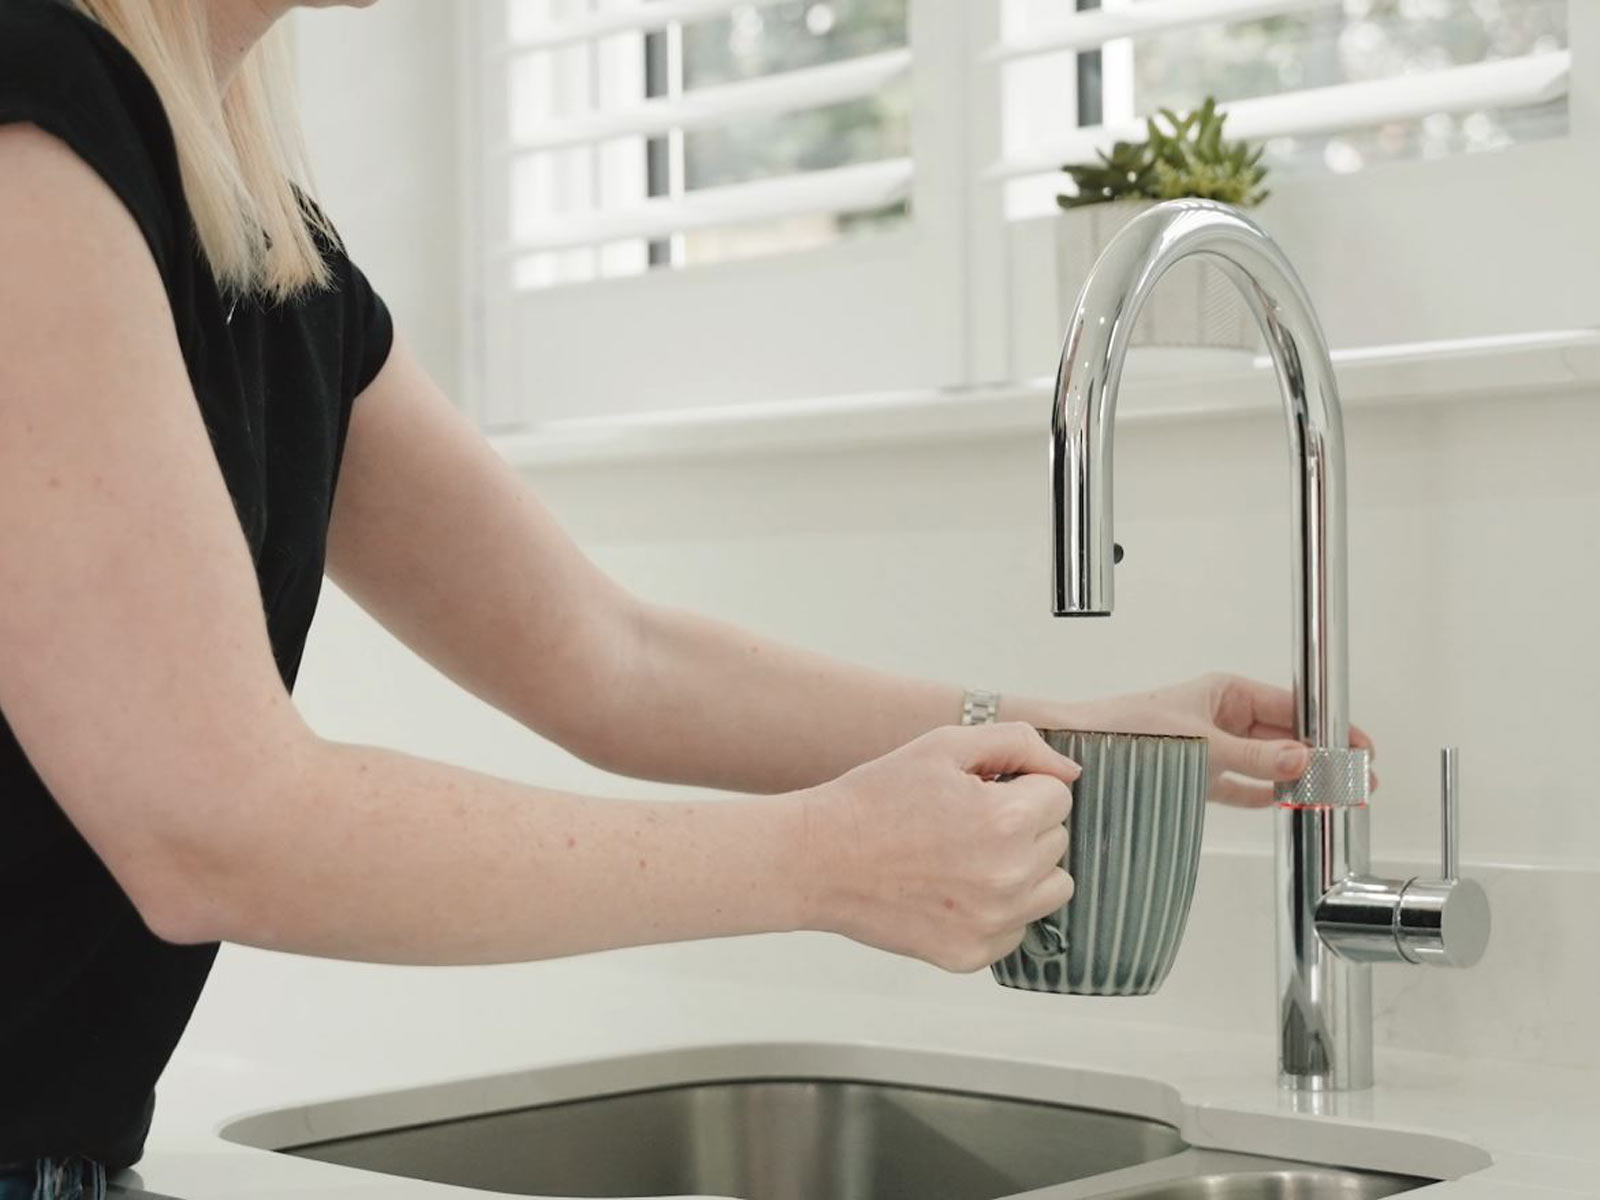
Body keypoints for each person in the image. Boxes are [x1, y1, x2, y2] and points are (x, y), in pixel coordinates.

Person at [0, 0, 1373, 1195]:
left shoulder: (253, 240)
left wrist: (1071, 727)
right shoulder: (28, 133)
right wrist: (822, 862)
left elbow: (613, 658)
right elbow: (214, 825)